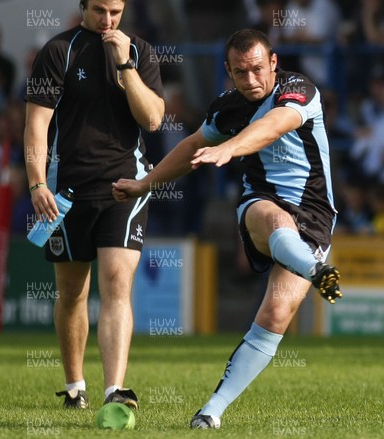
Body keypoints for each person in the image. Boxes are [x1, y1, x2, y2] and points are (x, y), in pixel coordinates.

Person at [112, 28, 342, 429]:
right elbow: (190, 149)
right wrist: (145, 183)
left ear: (272, 63)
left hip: (315, 215)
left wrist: (230, 147)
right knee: (271, 218)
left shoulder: (299, 90)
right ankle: (315, 269)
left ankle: (210, 410)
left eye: (257, 69)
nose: (251, 81)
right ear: (228, 72)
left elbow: (273, 126)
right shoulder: (227, 108)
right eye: (240, 73)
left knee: (275, 315)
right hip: (262, 204)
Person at [24, 0, 164, 409]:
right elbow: (36, 124)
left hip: (126, 188)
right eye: (100, 10)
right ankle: (74, 388)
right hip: (65, 193)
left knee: (117, 284)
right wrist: (36, 184)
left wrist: (124, 66)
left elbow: (153, 119)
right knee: (71, 294)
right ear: (82, 6)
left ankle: (114, 391)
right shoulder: (57, 51)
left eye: (116, 12)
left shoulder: (140, 51)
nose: (108, 20)